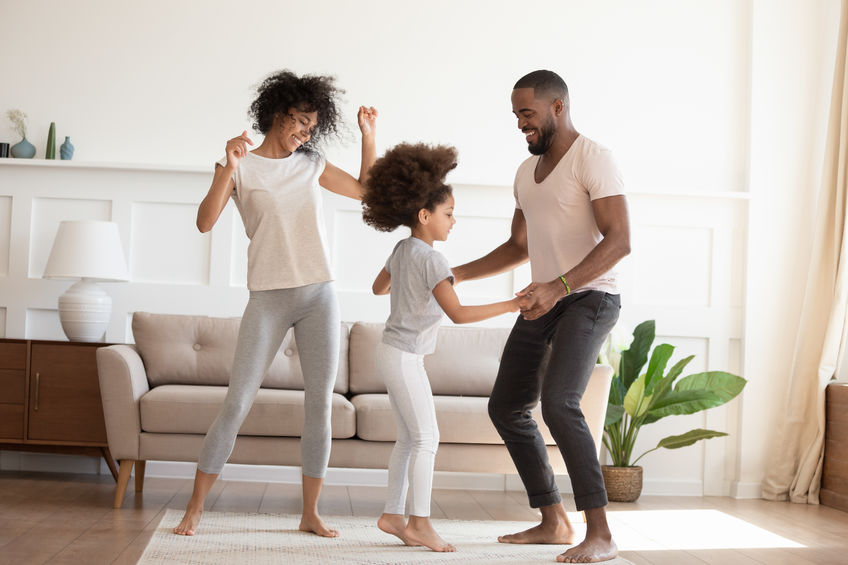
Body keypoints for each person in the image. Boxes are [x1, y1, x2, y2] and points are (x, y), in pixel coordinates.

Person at [173, 70, 378, 537]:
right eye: (299, 123)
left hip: (318, 295)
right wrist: (227, 165)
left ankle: (310, 514)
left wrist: (369, 137)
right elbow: (205, 222)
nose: (304, 134)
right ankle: (195, 508)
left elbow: (367, 191)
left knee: (319, 405)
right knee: (237, 402)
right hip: (267, 298)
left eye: (311, 128)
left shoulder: (311, 163)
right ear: (276, 114)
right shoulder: (240, 165)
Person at [452, 70, 630, 563]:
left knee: (560, 403)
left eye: (526, 114)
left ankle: (601, 534)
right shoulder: (524, 174)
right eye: (515, 115)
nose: (519, 124)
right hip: (544, 299)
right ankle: (553, 519)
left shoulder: (594, 158)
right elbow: (518, 246)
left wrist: (559, 286)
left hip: (590, 297)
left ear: (558, 107)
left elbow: (620, 241)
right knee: (507, 406)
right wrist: (457, 274)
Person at [361, 143, 520, 552]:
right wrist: (514, 303)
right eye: (448, 214)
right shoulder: (433, 260)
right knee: (426, 438)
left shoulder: (403, 249)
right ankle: (420, 523)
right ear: (424, 216)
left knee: (409, 439)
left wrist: (410, 283)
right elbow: (460, 315)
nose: (453, 221)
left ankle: (394, 515)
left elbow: (380, 287)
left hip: (391, 351)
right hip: (405, 356)